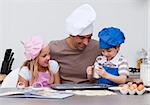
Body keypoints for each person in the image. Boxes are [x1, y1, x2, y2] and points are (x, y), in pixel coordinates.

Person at [49, 4, 101, 84]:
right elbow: (34, 64)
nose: (86, 42)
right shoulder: (54, 48)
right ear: (71, 35)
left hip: (91, 92)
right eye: (82, 38)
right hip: (65, 92)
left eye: (89, 37)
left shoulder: (97, 47)